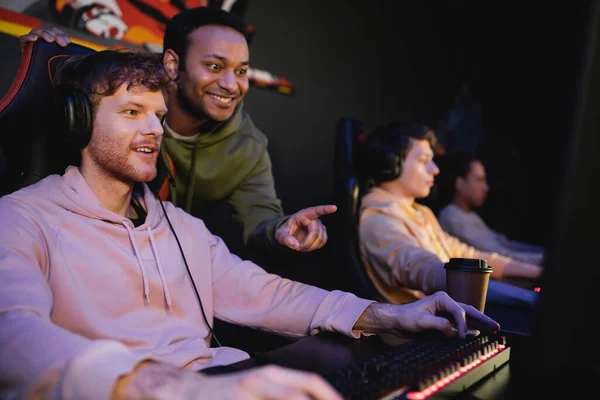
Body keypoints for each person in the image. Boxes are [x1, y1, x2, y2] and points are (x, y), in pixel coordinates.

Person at [0, 49, 501, 400]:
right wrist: (172, 388)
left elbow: (268, 293)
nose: (154, 129)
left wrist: (388, 315)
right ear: (80, 123)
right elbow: (13, 337)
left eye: (157, 114)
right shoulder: (21, 218)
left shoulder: (177, 225)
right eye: (132, 112)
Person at [18, 6, 335, 259]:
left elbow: (261, 218)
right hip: (83, 250)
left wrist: (282, 229)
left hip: (162, 263)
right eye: (214, 66)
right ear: (172, 63)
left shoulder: (247, 146)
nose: (231, 84)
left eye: (240, 71)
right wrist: (43, 58)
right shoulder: (121, 89)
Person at [358, 122, 543, 306]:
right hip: (420, 332)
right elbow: (423, 269)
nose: (435, 169)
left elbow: (464, 255)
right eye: (423, 161)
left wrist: (536, 272)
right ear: (391, 165)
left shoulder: (419, 211)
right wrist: (527, 298)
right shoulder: (377, 220)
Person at [437, 150, 545, 265]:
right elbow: (497, 253)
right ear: (459, 183)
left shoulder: (470, 215)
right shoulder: (452, 216)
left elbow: (504, 243)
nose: (485, 187)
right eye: (479, 180)